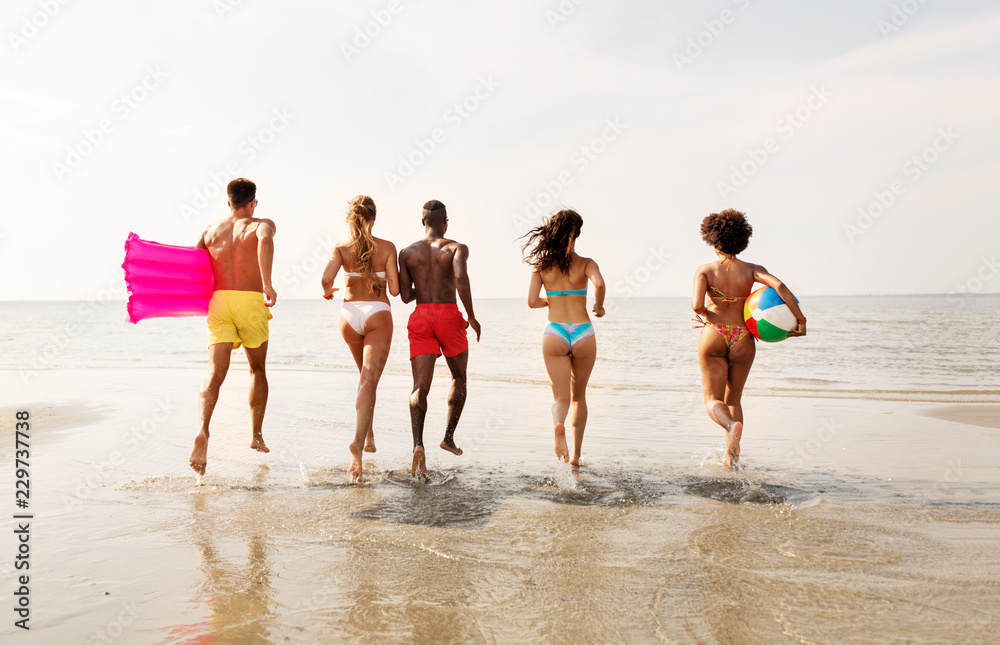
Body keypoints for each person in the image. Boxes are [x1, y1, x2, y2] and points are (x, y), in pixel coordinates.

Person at [691, 208, 806, 469]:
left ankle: (731, 426)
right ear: (742, 239)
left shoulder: (704, 271)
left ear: (711, 238)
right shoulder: (753, 269)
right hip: (743, 337)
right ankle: (732, 460)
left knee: (713, 400)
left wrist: (711, 313)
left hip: (715, 333)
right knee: (734, 399)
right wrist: (800, 320)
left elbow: (697, 307)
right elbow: (779, 287)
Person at [189, 178, 277, 476]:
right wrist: (268, 284)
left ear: (228, 202)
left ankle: (203, 429)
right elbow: (265, 241)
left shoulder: (210, 231)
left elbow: (194, 264)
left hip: (219, 302)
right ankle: (256, 435)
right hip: (250, 301)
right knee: (257, 370)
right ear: (253, 202)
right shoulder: (261, 224)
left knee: (214, 372)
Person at [398, 200, 482, 479]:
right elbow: (461, 279)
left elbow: (405, 295)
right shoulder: (456, 248)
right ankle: (447, 437)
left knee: (419, 388)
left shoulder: (407, 252)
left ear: (423, 222)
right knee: (459, 378)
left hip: (421, 315)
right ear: (445, 221)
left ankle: (417, 445)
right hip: (448, 315)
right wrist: (471, 315)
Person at [321, 195, 399, 482]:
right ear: (374, 218)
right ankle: (357, 442)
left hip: (348, 317)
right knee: (369, 380)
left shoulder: (341, 249)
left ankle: (368, 433)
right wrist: (383, 279)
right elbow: (395, 291)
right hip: (377, 314)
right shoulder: (388, 247)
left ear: (350, 220)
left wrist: (327, 290)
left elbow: (325, 279)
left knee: (365, 378)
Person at [522, 209, 605, 469]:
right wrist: (599, 307)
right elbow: (600, 285)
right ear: (577, 234)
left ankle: (558, 423)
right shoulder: (587, 263)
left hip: (555, 331)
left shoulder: (542, 266)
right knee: (579, 397)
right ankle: (576, 457)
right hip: (583, 331)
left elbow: (532, 302)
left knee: (561, 398)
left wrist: (552, 300)